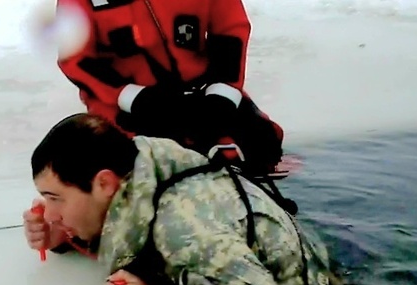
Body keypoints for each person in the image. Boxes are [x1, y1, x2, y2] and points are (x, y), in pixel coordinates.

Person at [23, 113, 340, 285]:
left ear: (103, 183)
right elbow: (130, 224)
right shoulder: (144, 173)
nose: (48, 213)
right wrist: (70, 236)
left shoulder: (185, 232)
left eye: (55, 199)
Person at [51, 0, 286, 179]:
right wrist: (131, 97)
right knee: (129, 168)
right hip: (125, 103)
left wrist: (223, 93)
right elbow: (75, 57)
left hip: (201, 92)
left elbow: (230, 28)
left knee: (263, 142)